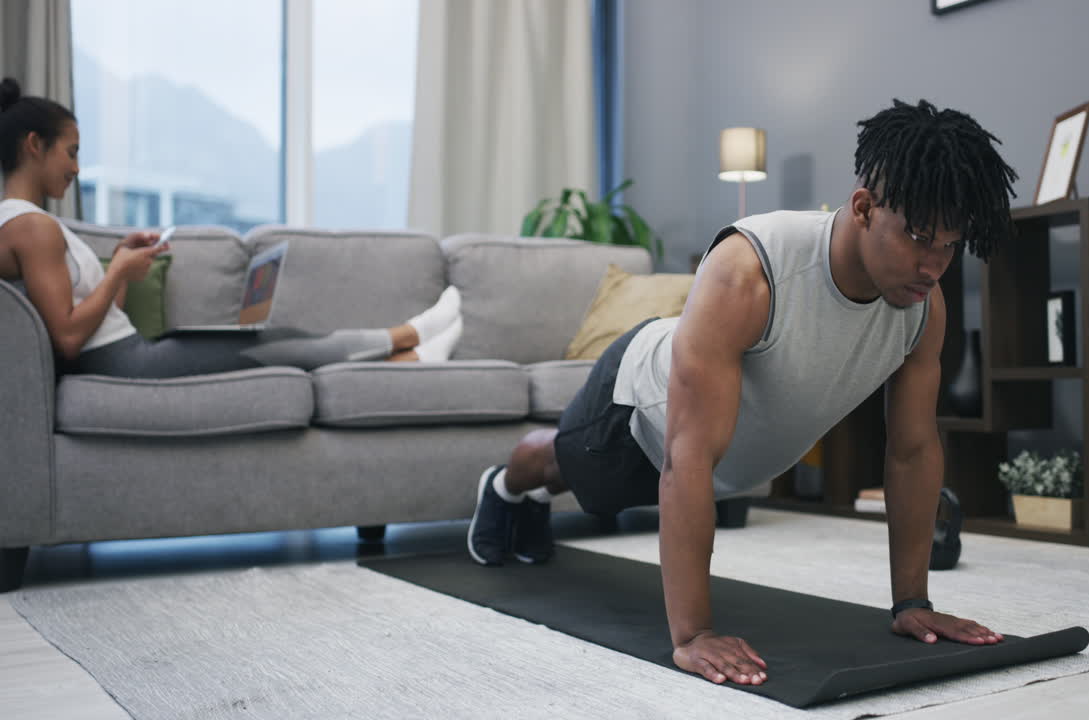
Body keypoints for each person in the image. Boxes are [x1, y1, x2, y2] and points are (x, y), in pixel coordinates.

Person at [466, 99, 1019, 686]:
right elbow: (687, 457)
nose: (933, 265)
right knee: (563, 470)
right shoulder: (750, 270)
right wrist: (693, 635)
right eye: (918, 237)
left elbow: (911, 450)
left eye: (949, 245)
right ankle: (505, 485)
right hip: (636, 412)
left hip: (716, 457)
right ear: (863, 207)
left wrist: (912, 603)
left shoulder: (922, 309)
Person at [0, 78, 462, 378]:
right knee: (273, 347)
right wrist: (118, 271)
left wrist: (118, 262)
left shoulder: (26, 224)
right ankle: (409, 336)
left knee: (278, 339)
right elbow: (68, 339)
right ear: (35, 145)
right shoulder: (31, 227)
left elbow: (95, 319)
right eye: (71, 152)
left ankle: (412, 355)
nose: (76, 168)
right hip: (125, 362)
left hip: (123, 353)